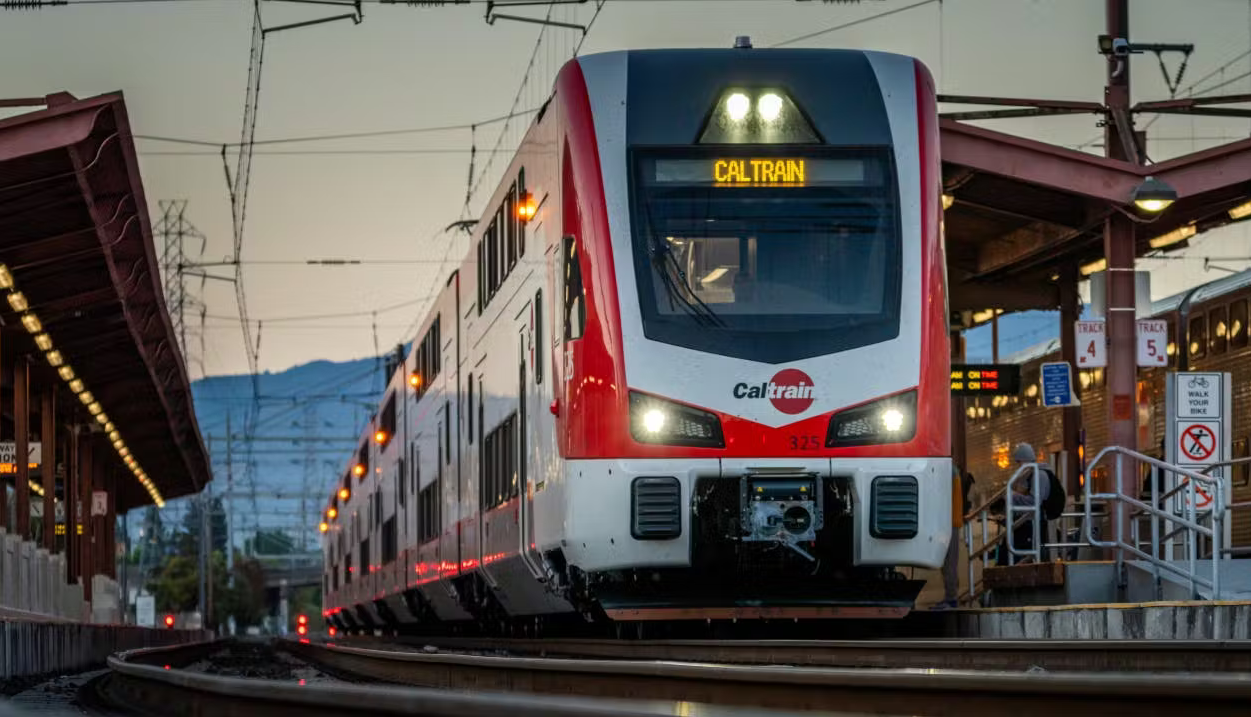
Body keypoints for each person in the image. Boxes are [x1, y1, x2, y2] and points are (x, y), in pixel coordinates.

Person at [997, 442, 1051, 565]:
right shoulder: (1028, 475)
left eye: (1019, 462)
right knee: (1006, 552)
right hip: (1026, 523)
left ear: (1025, 460)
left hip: (1032, 525)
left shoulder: (1039, 475)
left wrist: (1013, 496)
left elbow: (1033, 502)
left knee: (1010, 554)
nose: (1018, 466)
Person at [939, 465, 976, 608]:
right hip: (950, 520)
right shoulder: (952, 470)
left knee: (949, 562)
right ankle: (950, 596)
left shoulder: (948, 470)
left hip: (949, 521)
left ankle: (951, 597)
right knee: (948, 562)